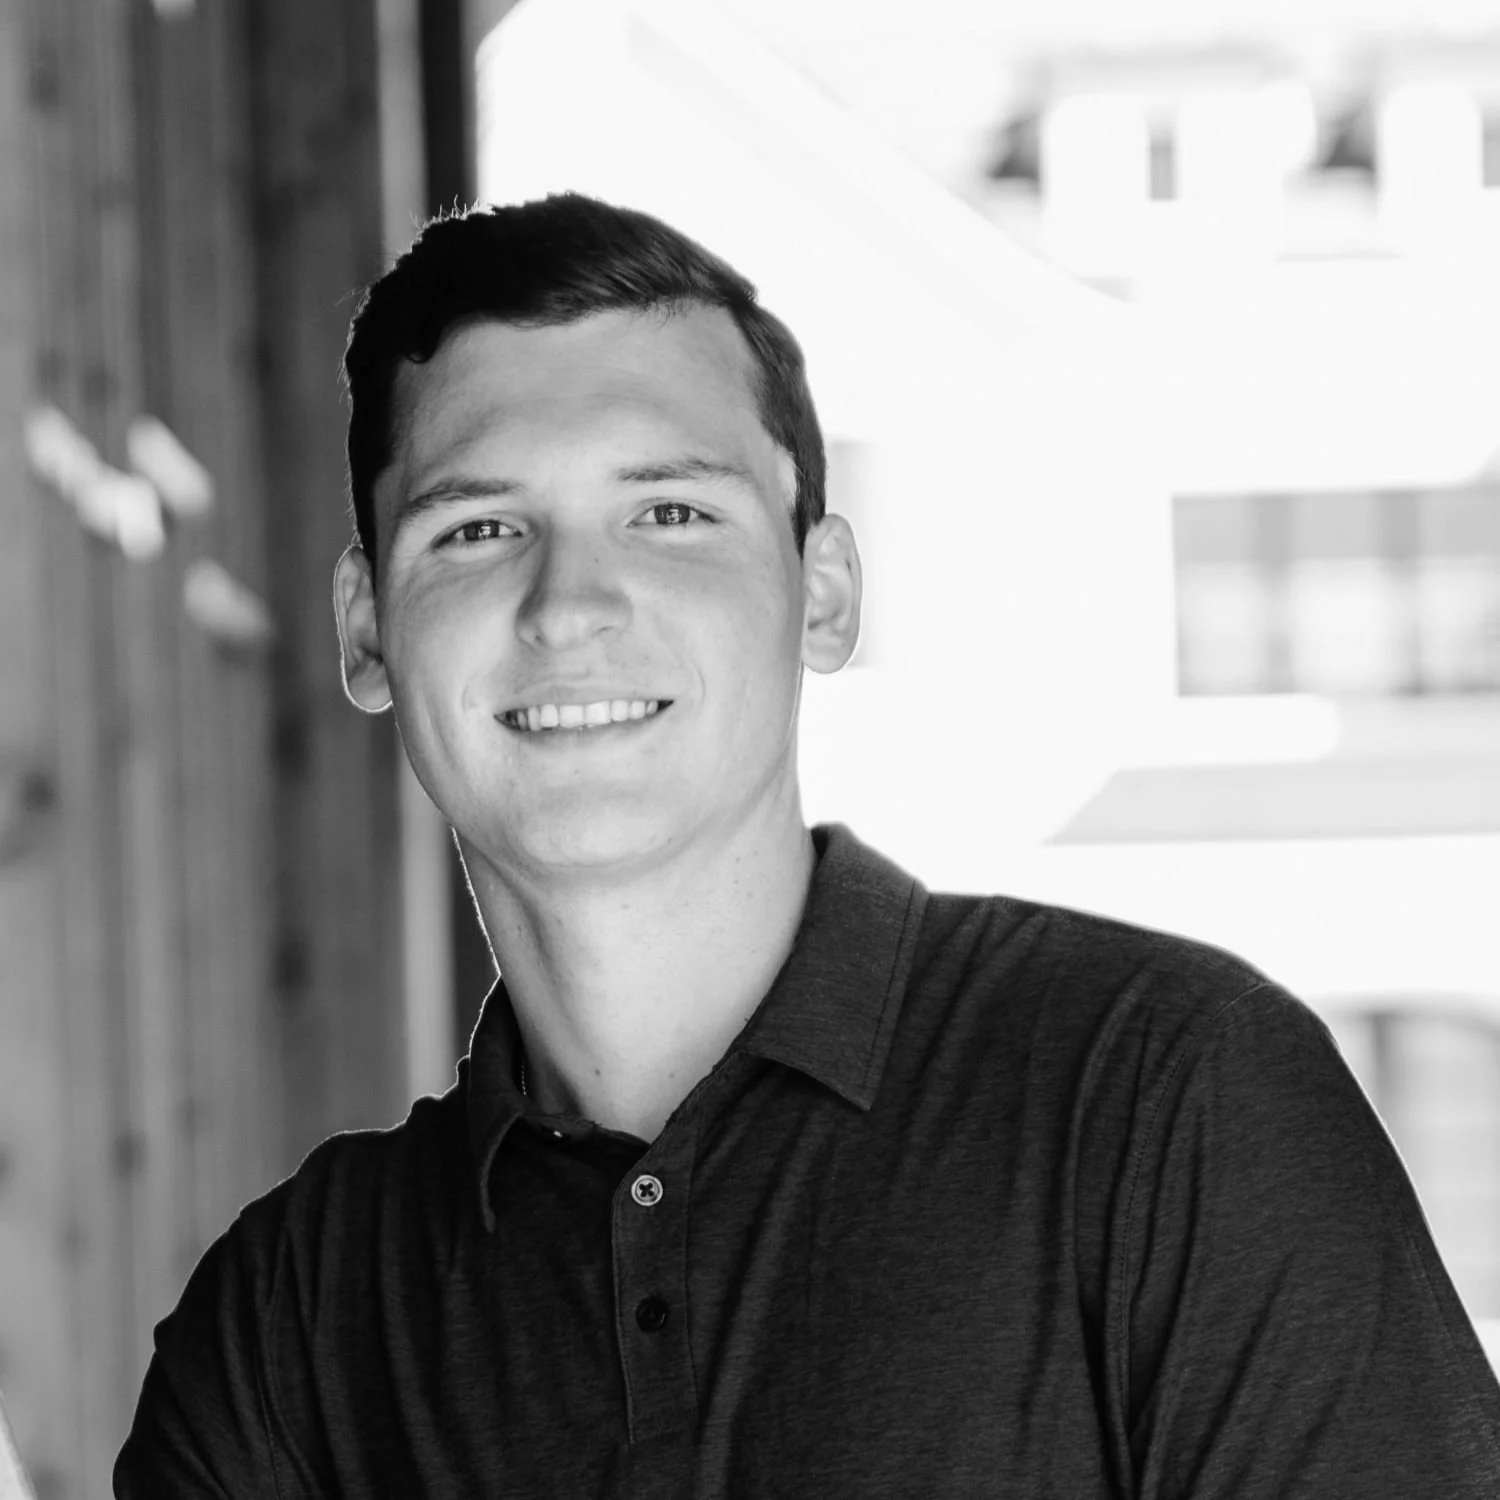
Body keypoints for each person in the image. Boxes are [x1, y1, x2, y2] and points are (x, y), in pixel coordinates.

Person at [115, 193, 1500, 1498]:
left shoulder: (1167, 1099)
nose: (571, 603)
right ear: (368, 627)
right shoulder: (289, 1326)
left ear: (823, 591)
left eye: (671, 512)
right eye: (478, 528)